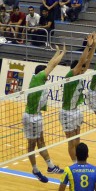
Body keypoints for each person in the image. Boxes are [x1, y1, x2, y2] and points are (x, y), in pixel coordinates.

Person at [22, 45, 66, 183]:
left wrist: (58, 52)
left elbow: (50, 64)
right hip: (31, 117)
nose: (48, 75)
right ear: (42, 74)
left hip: (37, 116)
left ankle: (50, 166)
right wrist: (63, 53)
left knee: (41, 141)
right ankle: (35, 169)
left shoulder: (40, 81)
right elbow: (51, 66)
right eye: (46, 73)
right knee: (32, 145)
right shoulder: (38, 78)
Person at [60, 33, 96, 162]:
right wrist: (88, 45)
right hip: (66, 112)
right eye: (81, 68)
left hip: (75, 111)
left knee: (77, 139)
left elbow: (87, 61)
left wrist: (94, 45)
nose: (83, 69)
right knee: (71, 142)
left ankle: (80, 161)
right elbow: (82, 61)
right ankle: (75, 163)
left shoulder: (80, 75)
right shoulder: (70, 75)